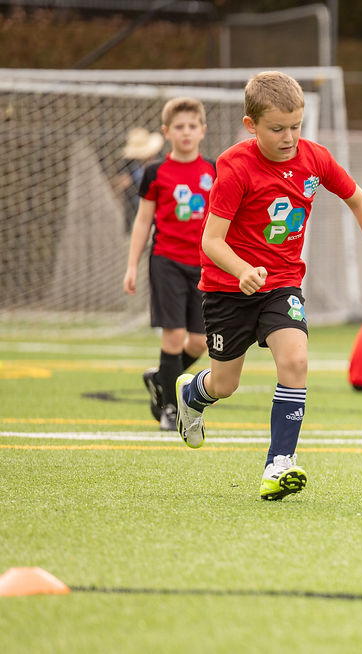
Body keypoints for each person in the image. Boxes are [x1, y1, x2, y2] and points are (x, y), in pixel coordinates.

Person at [174, 71, 362, 501]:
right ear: (251, 125)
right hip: (228, 289)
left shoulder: (314, 159)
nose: (290, 137)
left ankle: (280, 463)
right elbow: (211, 241)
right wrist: (242, 270)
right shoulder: (235, 167)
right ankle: (194, 393)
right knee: (225, 384)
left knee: (295, 361)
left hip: (282, 285)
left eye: (295, 126)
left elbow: (359, 200)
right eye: (278, 129)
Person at [122, 97, 214, 431]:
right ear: (167, 132)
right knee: (173, 337)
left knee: (199, 342)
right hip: (166, 262)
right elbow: (143, 221)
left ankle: (162, 377)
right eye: (179, 127)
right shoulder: (154, 172)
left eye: (192, 126)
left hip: (204, 266)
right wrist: (132, 265)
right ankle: (171, 410)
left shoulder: (214, 171)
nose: (186, 132)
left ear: (202, 130)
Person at [113, 126, 165, 231]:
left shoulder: (159, 162)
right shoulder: (129, 164)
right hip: (135, 210)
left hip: (157, 211)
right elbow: (119, 183)